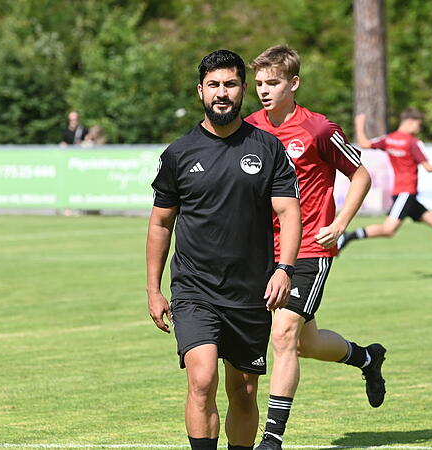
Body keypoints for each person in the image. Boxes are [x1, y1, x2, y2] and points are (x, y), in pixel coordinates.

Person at [146, 49, 302, 450]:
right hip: (194, 288)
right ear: (200, 91)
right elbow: (161, 222)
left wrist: (284, 269)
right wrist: (153, 288)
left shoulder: (268, 148)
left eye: (230, 84)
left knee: (244, 390)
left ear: (242, 90)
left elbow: (288, 213)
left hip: (251, 291)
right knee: (201, 379)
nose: (221, 93)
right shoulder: (179, 154)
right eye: (213, 85)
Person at [244, 45, 386, 450]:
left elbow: (360, 174)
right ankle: (366, 358)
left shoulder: (318, 130)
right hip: (260, 252)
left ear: (294, 83)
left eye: (273, 83)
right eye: (259, 84)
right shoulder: (249, 128)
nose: (264, 91)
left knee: (284, 334)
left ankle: (271, 439)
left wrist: (340, 223)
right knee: (305, 343)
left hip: (308, 248)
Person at [337, 108, 432, 273]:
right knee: (388, 230)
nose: (419, 129)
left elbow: (364, 144)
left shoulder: (389, 139)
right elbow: (429, 167)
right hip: (405, 193)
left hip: (406, 195)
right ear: (410, 122)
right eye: (419, 125)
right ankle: (348, 236)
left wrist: (359, 124)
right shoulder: (412, 142)